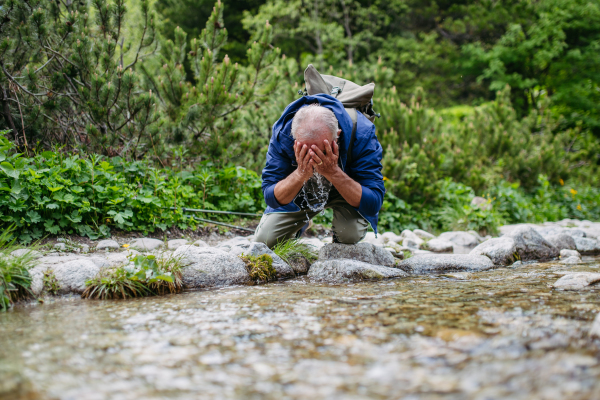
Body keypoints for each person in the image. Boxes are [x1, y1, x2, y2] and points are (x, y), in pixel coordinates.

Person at [254, 93, 385, 249]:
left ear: (337, 135)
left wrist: (333, 172)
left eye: (321, 150)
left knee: (349, 235)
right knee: (265, 241)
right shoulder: (283, 133)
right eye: (305, 150)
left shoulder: (362, 133)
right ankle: (301, 221)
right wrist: (300, 174)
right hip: (300, 190)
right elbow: (270, 196)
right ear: (294, 138)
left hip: (346, 188)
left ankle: (338, 238)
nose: (313, 157)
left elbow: (374, 202)